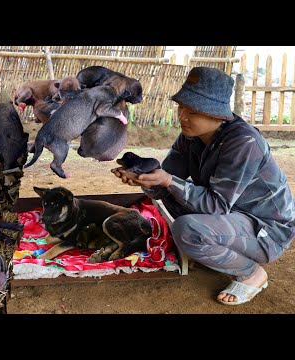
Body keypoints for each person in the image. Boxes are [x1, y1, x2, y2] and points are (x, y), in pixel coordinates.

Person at [112, 66, 295, 305]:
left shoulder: (243, 142)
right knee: (169, 201)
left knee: (188, 230)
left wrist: (167, 180)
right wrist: (144, 179)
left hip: (267, 229)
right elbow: (164, 185)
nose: (182, 117)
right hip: (232, 214)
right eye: (181, 107)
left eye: (193, 111)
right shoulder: (190, 137)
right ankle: (216, 245)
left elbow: (214, 205)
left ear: (218, 115)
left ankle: (252, 273)